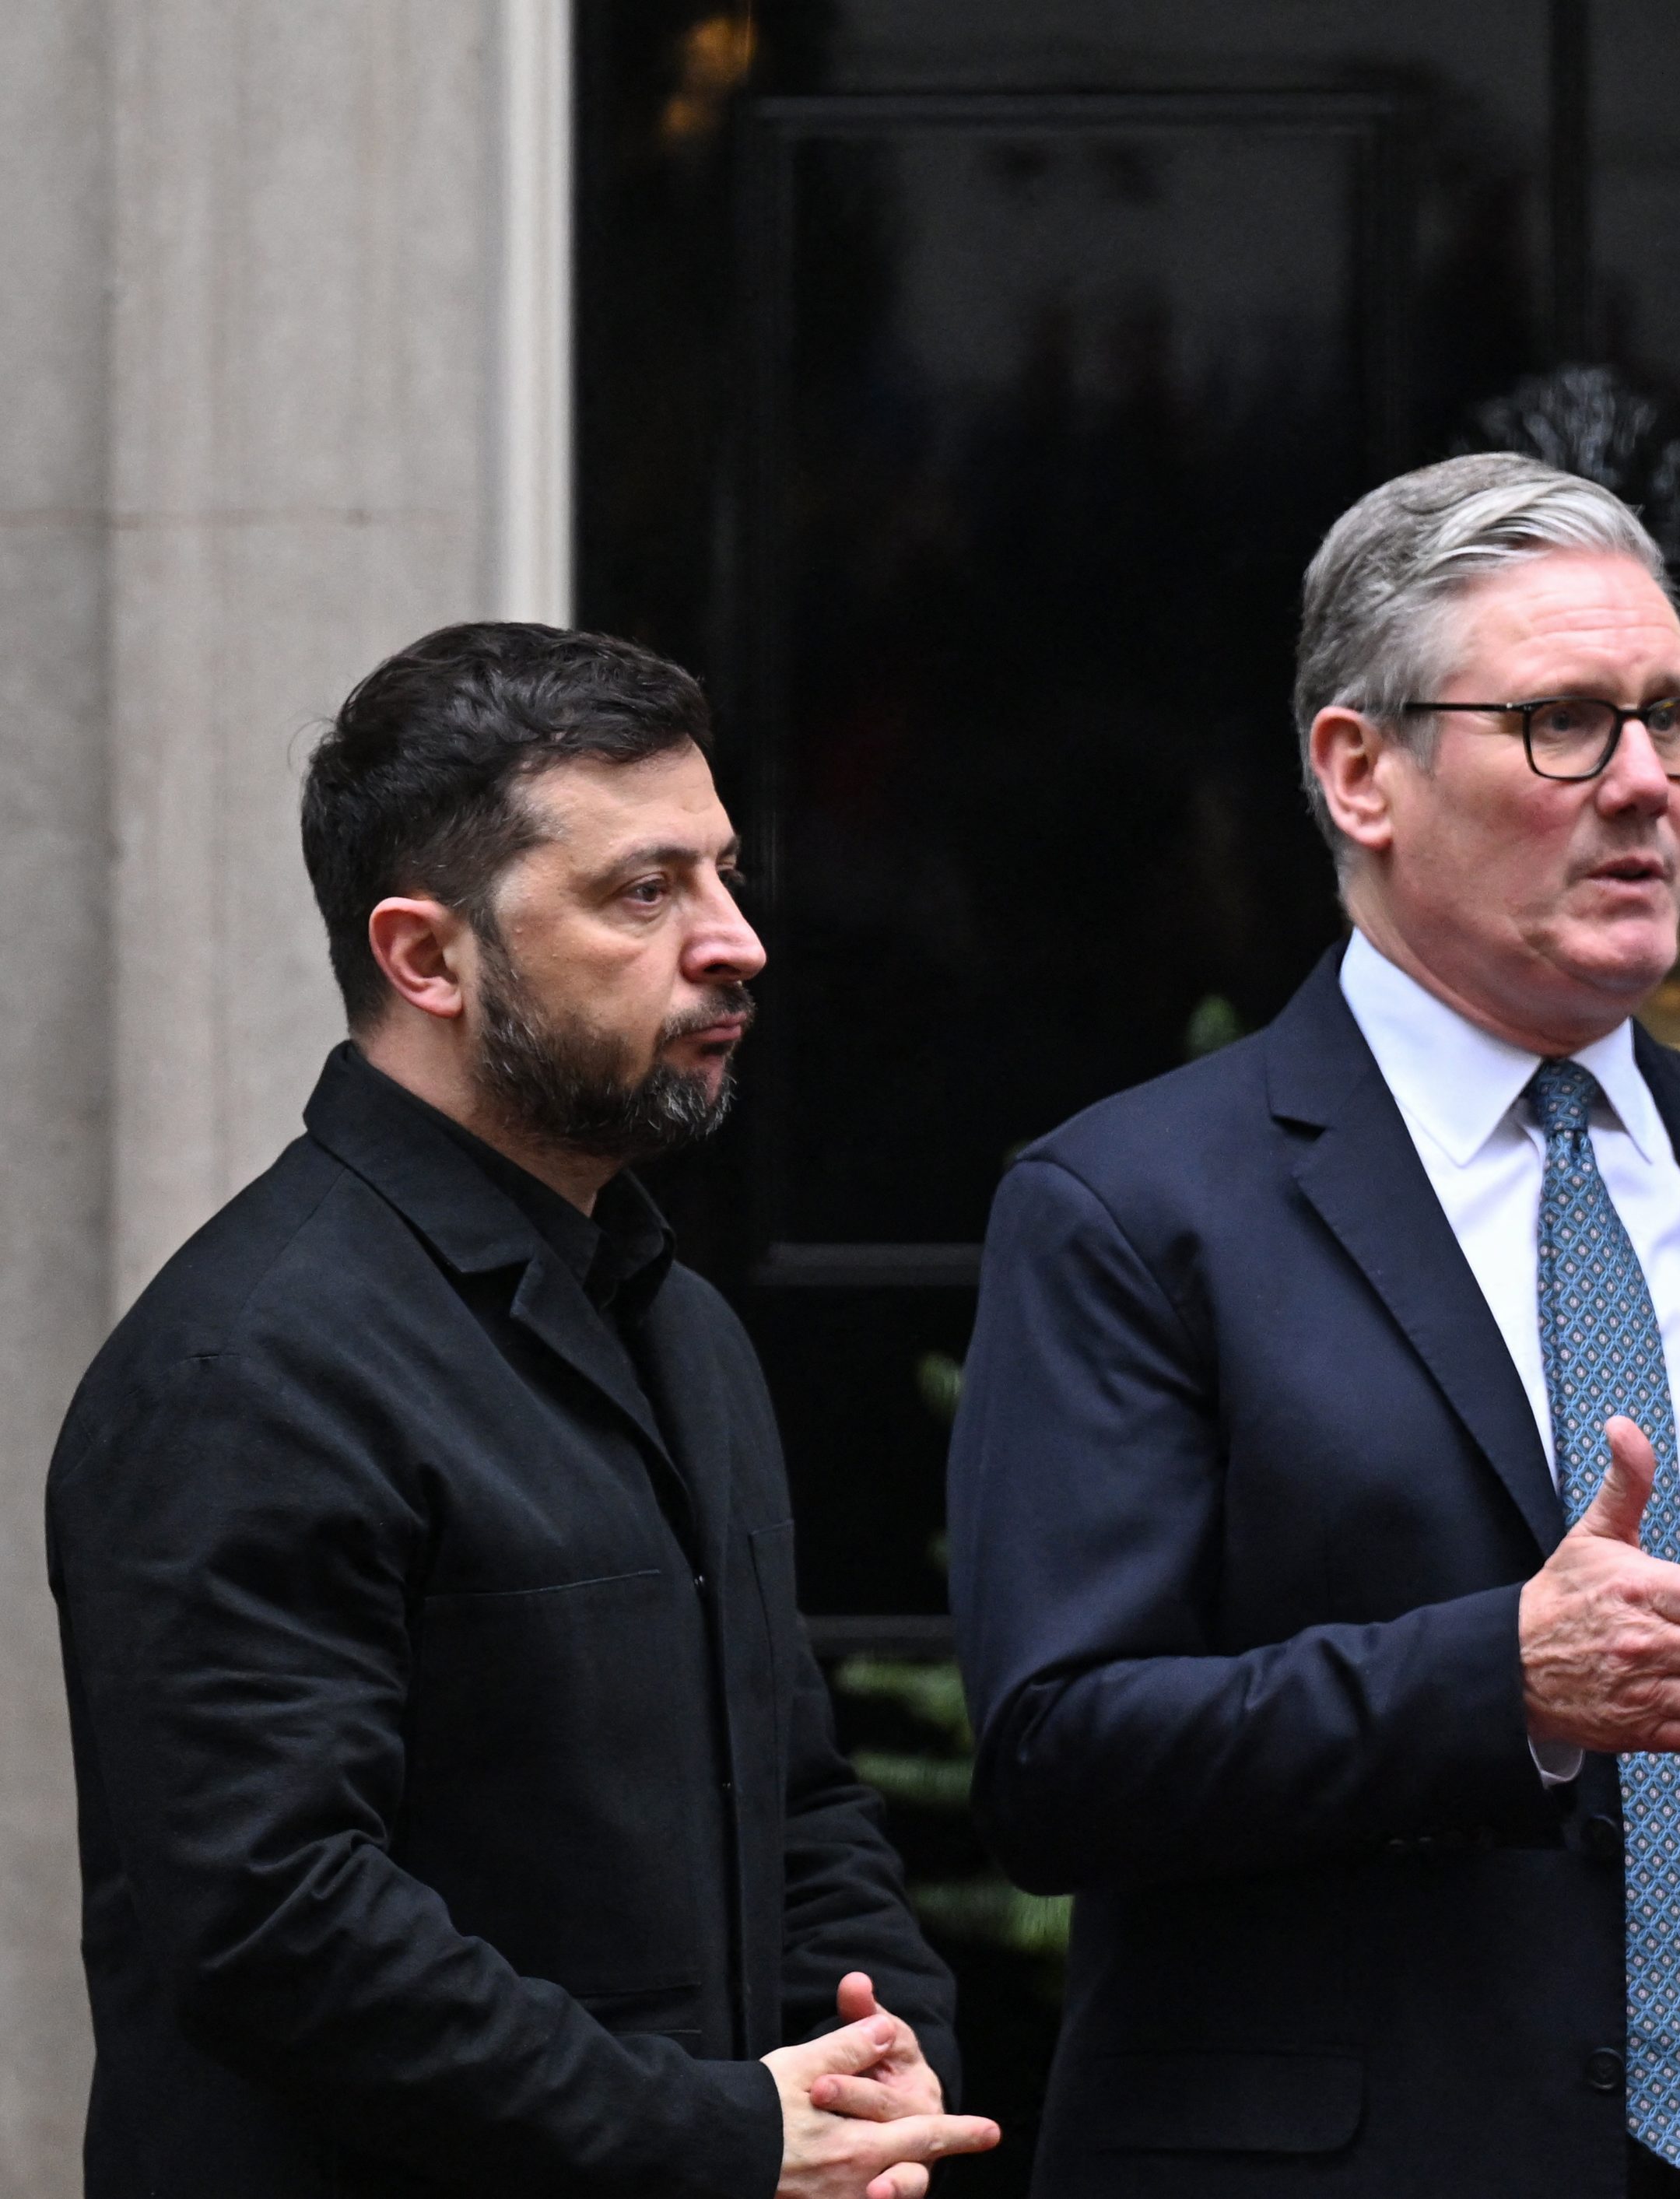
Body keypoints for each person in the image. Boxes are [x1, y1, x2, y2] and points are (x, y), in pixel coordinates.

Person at [946, 453, 1680, 2199]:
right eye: (1564, 722)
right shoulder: (1137, 1208)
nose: (1646, 786)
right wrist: (1508, 1682)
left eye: (1673, 723)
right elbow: (1059, 1759)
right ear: (1359, 773)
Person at [49, 624, 1000, 2198]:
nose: (736, 939)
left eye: (722, 872)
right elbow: (280, 1926)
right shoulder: (246, 1367)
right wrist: (722, 2134)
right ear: (427, 958)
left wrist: (882, 2048)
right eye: (644, 892)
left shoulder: (677, 1323)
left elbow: (794, 1794)